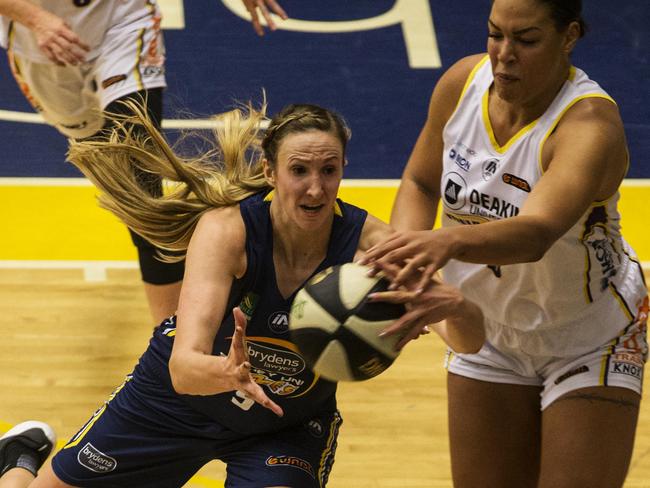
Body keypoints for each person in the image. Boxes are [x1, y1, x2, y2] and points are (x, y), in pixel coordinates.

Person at [0, 103, 484, 487]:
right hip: (173, 405)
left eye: (329, 170)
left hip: (283, 424)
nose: (316, 188)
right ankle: (18, 456)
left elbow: (469, 345)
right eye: (299, 171)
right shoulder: (226, 231)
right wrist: (227, 372)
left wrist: (458, 307)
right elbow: (184, 370)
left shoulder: (376, 250)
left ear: (343, 170)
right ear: (271, 173)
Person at [361, 0, 649, 486]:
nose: (503, 55)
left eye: (526, 39)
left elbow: (535, 233)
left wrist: (445, 243)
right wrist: (408, 263)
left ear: (569, 36)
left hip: (590, 337)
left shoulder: (589, 126)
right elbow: (420, 181)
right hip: (486, 330)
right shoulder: (461, 84)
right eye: (495, 34)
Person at [0, 0, 288, 324]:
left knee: (144, 190)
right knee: (119, 185)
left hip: (122, 20)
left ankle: (174, 343)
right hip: (38, 40)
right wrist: (35, 19)